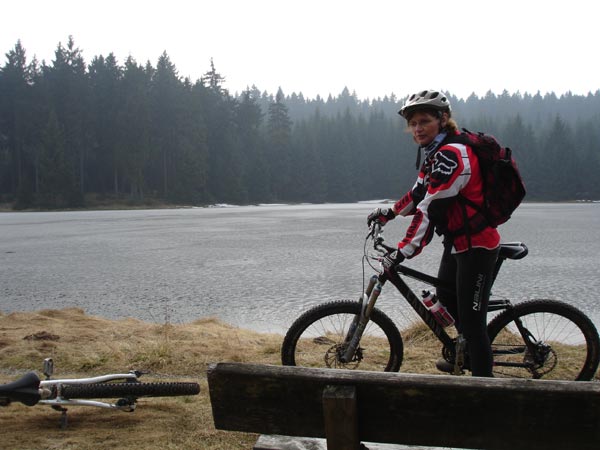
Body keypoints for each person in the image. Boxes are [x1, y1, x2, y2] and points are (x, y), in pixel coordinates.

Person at [367, 90, 500, 377]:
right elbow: (417, 194)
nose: (417, 129)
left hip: (478, 246)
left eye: (424, 121)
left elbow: (431, 208)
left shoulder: (453, 155)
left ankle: (485, 394)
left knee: (473, 324)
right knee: (446, 298)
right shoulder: (435, 154)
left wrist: (402, 251)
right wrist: (388, 214)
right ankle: (461, 354)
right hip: (458, 243)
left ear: (443, 119)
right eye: (413, 124)